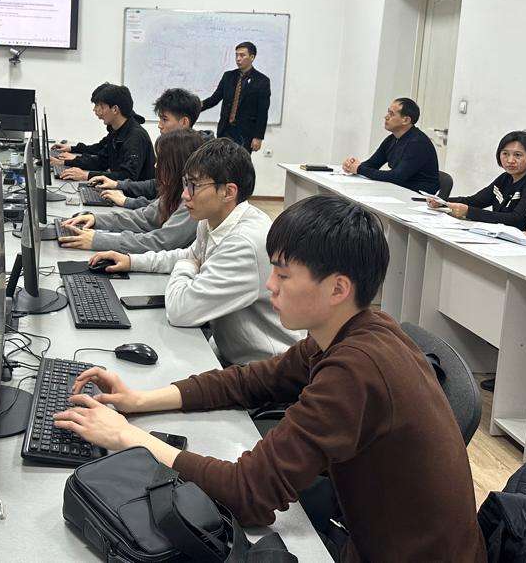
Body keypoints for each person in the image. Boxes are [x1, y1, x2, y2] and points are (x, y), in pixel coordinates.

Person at [54, 195, 486, 562]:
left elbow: (248, 495)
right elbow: (251, 381)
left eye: (283, 274)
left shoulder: (356, 369)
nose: (269, 285)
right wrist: (139, 400)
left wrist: (128, 438)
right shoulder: (355, 328)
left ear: (337, 289)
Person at [88, 138, 301, 365]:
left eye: (194, 186)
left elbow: (181, 311)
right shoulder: (213, 220)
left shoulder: (244, 243)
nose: (185, 195)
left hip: (262, 370)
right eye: (185, 184)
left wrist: (188, 264)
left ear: (228, 192)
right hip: (226, 350)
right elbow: (187, 256)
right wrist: (132, 261)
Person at [58, 129, 203, 253]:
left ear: (178, 166)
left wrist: (100, 240)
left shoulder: (193, 202)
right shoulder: (175, 190)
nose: (156, 166)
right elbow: (145, 218)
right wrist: (97, 220)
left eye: (162, 161)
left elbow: (160, 242)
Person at [90, 87, 202, 208]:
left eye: (165, 119)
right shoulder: (175, 146)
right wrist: (118, 184)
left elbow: (171, 206)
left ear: (184, 122)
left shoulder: (197, 158)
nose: (159, 125)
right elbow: (158, 185)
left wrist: (127, 201)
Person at [429, 130, 526, 228]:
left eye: (518, 155)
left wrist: (468, 212)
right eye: (505, 154)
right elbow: (474, 201)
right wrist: (442, 202)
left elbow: (516, 219)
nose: (510, 160)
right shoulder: (505, 178)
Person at [51, 83, 155, 182]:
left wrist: (86, 175)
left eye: (100, 106)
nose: (95, 110)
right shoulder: (117, 131)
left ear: (115, 109)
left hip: (132, 194)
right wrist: (64, 162)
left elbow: (127, 176)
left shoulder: (135, 137)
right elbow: (102, 160)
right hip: (119, 191)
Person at [341, 97, 439, 193]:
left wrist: (359, 169)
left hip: (418, 195)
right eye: (388, 112)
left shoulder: (418, 143)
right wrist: (351, 166)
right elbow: (372, 164)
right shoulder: (392, 138)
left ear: (406, 120)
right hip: (399, 189)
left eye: (391, 114)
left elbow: (396, 176)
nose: (386, 117)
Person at [199, 41, 270, 152]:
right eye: (236, 55)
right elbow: (214, 99)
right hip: (225, 130)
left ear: (252, 57)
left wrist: (258, 137)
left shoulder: (262, 81)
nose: (238, 59)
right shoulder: (228, 76)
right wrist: (194, 106)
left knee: (240, 162)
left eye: (242, 55)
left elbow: (262, 111)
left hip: (245, 133)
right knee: (220, 159)